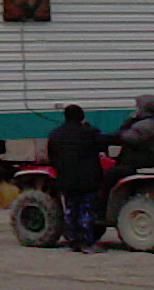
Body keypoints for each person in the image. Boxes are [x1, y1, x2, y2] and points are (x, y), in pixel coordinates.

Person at [47, 104, 105, 252]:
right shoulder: (89, 132)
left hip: (66, 179)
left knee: (71, 209)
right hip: (88, 179)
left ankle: (73, 239)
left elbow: (52, 158)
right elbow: (103, 144)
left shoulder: (55, 134)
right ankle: (87, 241)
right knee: (87, 210)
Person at [105, 93, 154, 194]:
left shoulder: (143, 126)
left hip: (139, 164)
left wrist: (130, 120)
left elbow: (123, 137)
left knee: (110, 176)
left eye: (138, 107)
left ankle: (104, 206)